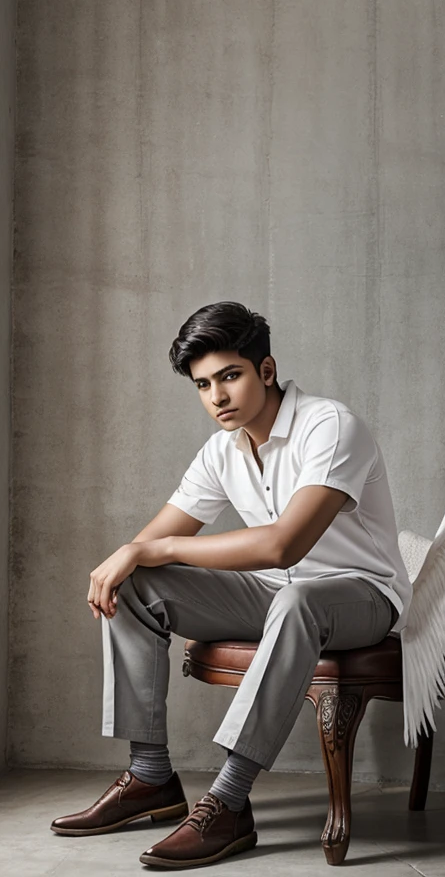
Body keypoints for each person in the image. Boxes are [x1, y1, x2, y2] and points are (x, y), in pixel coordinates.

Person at [51, 301, 412, 868]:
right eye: (202, 385)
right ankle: (150, 776)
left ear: (265, 371)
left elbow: (282, 545)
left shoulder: (331, 426)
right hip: (274, 593)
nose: (217, 397)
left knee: (294, 597)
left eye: (229, 376)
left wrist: (156, 548)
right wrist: (130, 556)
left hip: (361, 594)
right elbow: (147, 549)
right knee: (139, 583)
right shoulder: (222, 450)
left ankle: (229, 802)